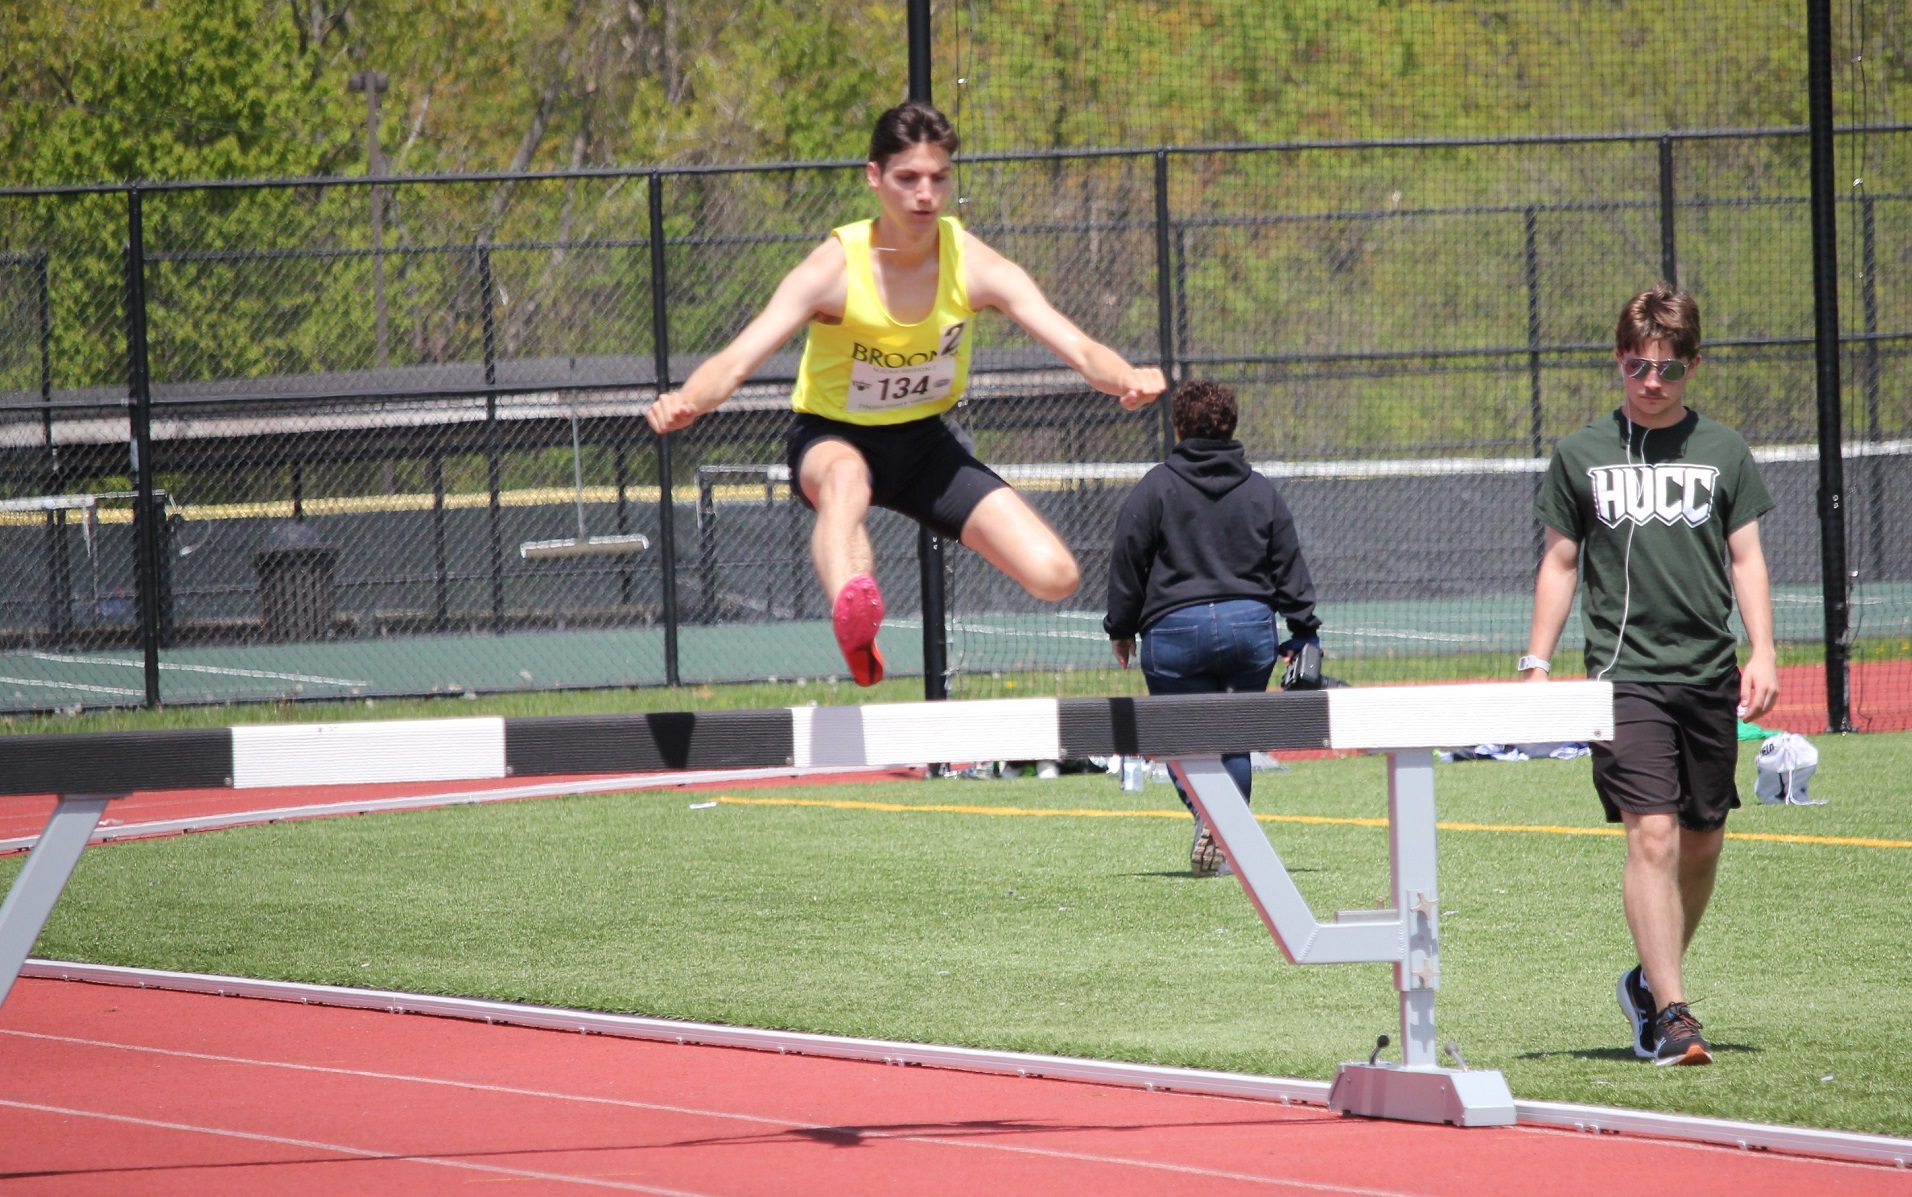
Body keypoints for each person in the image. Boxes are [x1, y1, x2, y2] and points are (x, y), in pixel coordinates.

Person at [645, 101, 1166, 685]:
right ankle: (855, 619)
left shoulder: (974, 265)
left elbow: (1077, 345)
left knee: (1056, 575)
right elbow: (737, 359)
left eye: (939, 179)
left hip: (926, 448)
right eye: (908, 179)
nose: (925, 195)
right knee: (847, 485)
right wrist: (686, 399)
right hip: (833, 437)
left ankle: (858, 608)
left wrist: (1126, 377)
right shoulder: (834, 269)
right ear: (875, 177)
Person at [1521, 283, 1778, 1067]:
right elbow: (1562, 561)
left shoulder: (1725, 450)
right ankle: (1672, 1012)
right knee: (1654, 833)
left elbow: (1747, 556)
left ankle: (1647, 979)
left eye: (1667, 369)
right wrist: (1537, 661)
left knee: (1703, 842)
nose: (1651, 382)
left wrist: (1762, 649)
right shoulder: (1581, 453)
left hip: (1707, 671)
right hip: (1623, 675)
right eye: (1637, 366)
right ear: (1619, 361)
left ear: (1693, 365)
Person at [1102, 378, 1322, 877]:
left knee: (1182, 739)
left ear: (1178, 427)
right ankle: (1226, 832)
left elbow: (1127, 561)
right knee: (1234, 737)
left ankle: (1211, 820)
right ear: (1232, 426)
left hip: (1174, 631)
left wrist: (1121, 628)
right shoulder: (1260, 490)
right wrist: (1304, 630)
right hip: (1250, 628)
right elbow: (1288, 565)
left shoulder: (1155, 486)